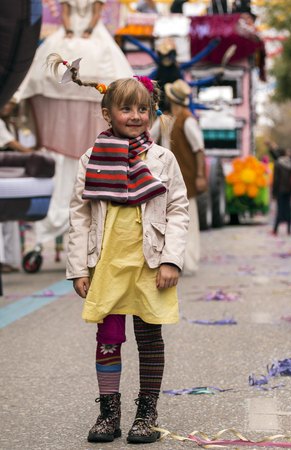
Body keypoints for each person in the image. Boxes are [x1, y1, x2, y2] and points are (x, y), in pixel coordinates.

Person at [47, 55, 189, 443]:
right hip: (106, 265)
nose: (135, 115)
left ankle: (147, 412)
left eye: (143, 108)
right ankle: (109, 413)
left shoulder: (163, 160)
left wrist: (172, 259)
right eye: (125, 108)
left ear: (152, 111)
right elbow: (79, 216)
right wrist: (79, 268)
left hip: (149, 263)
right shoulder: (90, 160)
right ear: (107, 113)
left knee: (149, 337)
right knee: (108, 337)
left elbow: (178, 209)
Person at [18, 0, 134, 247]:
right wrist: (73, 31)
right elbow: (68, 13)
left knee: (96, 69)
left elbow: (92, 13)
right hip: (80, 32)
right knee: (62, 67)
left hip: (89, 32)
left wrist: (84, 31)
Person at [151, 78, 206, 275]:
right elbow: (150, 136)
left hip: (185, 176)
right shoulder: (165, 117)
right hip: (165, 177)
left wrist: (200, 175)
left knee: (187, 219)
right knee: (165, 219)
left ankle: (188, 260)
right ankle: (169, 259)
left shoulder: (187, 119)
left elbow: (199, 149)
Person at [0, 99, 34, 273]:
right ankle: (2, 260)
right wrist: (33, 153)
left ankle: (8, 259)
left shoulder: (11, 125)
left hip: (7, 176)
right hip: (3, 175)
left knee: (8, 218)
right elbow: (14, 146)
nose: (6, 105)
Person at [272, 148, 291, 235]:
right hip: (289, 189)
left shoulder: (278, 164)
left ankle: (275, 229)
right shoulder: (290, 163)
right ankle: (288, 229)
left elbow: (276, 179)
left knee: (280, 209)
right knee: (288, 209)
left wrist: (274, 192)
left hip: (280, 190)